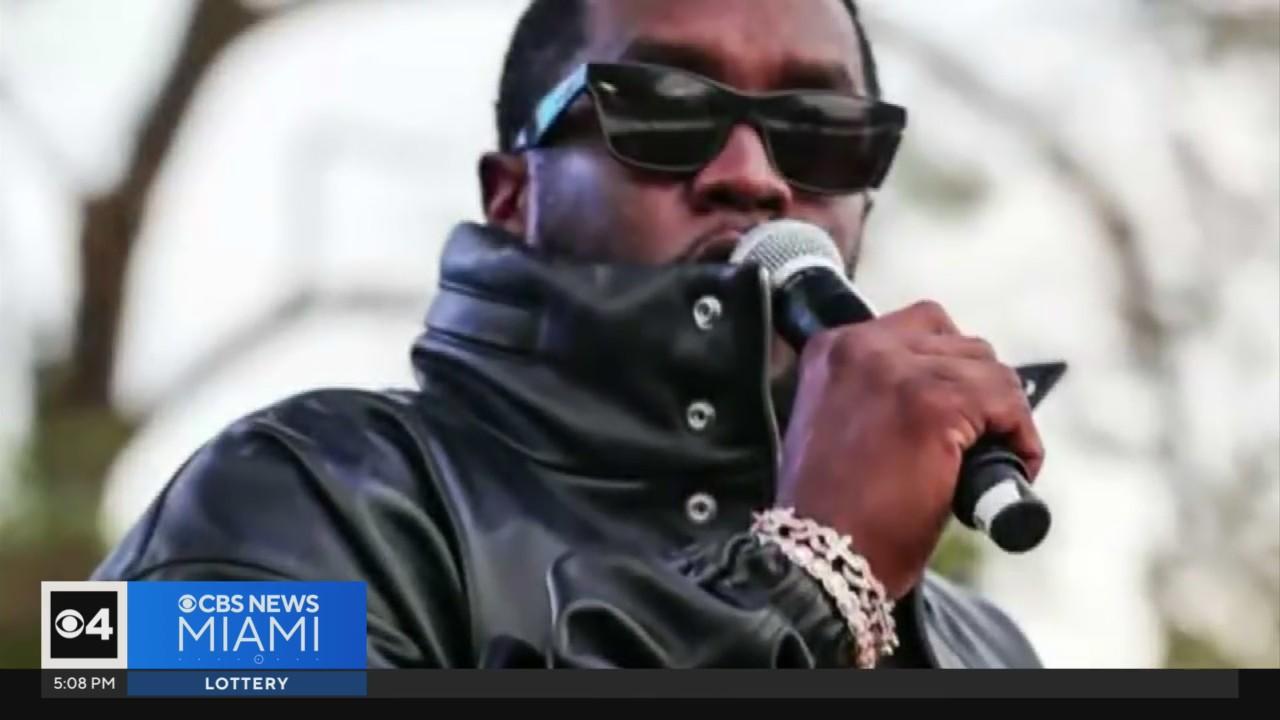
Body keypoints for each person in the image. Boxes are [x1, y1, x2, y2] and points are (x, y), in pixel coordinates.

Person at [94, 0, 1050, 668]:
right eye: (664, 110)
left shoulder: (988, 649)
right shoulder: (289, 500)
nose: (755, 176)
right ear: (513, 195)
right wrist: (803, 587)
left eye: (820, 132)